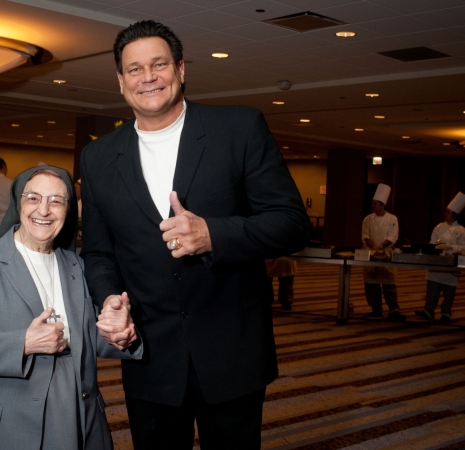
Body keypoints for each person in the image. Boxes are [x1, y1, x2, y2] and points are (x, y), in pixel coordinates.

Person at [79, 20, 310, 450]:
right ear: (120, 81)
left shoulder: (238, 130)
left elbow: (293, 222)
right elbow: (98, 253)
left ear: (181, 70)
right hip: (149, 354)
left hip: (232, 350)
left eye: (158, 64)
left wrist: (213, 235)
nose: (147, 77)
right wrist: (109, 300)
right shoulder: (97, 157)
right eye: (134, 69)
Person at [0, 165, 142, 450]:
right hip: (5, 424)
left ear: (68, 210)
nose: (44, 210)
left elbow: (88, 335)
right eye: (33, 198)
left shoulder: (77, 266)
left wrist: (123, 336)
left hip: (77, 418)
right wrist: (23, 342)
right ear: (18, 203)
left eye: (56, 201)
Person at [415, 192, 465, 324]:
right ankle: (428, 310)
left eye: (448, 212)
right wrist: (438, 247)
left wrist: (450, 247)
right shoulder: (439, 227)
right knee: (432, 287)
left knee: (449, 290)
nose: (445, 214)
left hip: (451, 263)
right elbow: (432, 242)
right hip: (437, 261)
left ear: (455, 215)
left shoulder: (461, 230)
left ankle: (446, 313)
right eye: (445, 212)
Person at [362, 184, 406, 321]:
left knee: (389, 282)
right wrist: (373, 247)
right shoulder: (367, 219)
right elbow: (365, 235)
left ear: (382, 205)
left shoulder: (392, 219)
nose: (372, 206)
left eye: (375, 204)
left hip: (386, 253)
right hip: (370, 253)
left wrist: (380, 246)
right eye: (372, 204)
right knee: (371, 283)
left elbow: (392, 237)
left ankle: (394, 310)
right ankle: (376, 308)